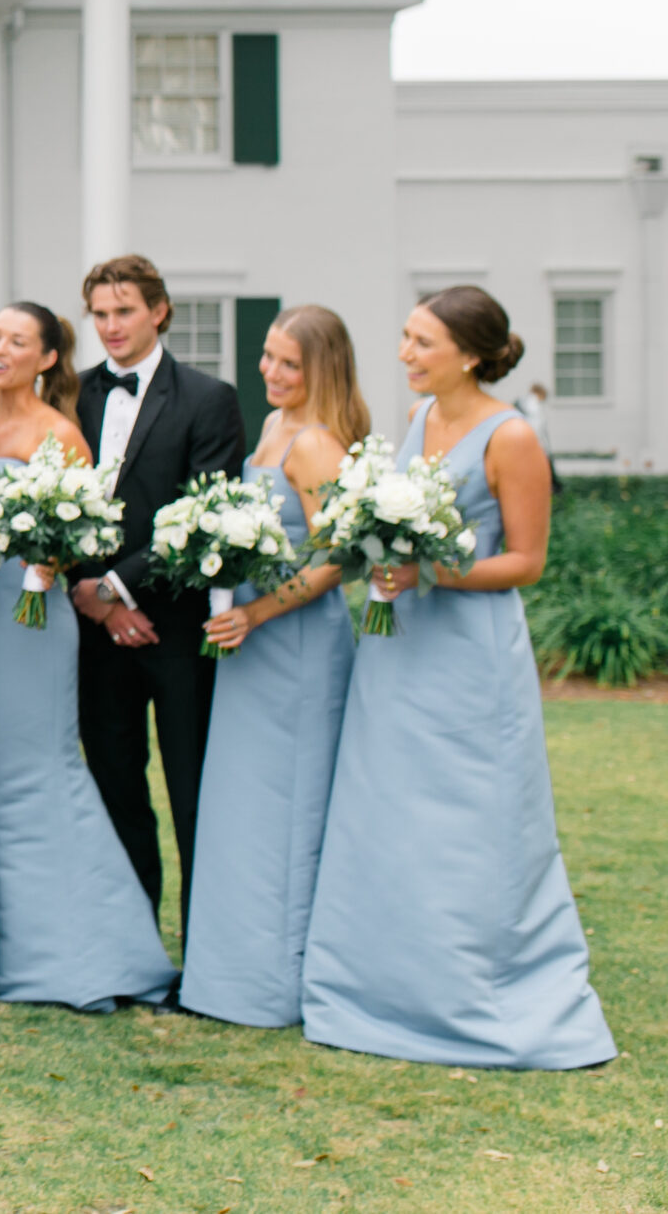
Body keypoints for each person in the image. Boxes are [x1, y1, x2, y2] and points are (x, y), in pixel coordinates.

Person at [302, 288, 615, 1069]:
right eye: (405, 337)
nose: (405, 353)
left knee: (470, 815)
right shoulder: (416, 422)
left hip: (468, 650)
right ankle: (389, 984)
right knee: (392, 806)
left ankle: (479, 987)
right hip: (398, 645)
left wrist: (434, 571)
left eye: (422, 342)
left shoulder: (509, 436)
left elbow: (527, 560)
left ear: (471, 353)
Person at [0, 304, 174, 1011]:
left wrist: (52, 557)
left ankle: (89, 945)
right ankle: (4, 934)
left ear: (48, 357)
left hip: (34, 615)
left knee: (38, 762)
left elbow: (84, 529)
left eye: (17, 340)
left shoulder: (61, 435)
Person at [182, 306, 364, 1028]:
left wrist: (256, 613)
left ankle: (279, 981)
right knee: (246, 806)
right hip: (247, 643)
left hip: (295, 643)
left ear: (322, 369)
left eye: (290, 363)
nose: (272, 372)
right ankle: (237, 969)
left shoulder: (319, 444)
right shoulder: (270, 431)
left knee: (290, 805)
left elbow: (335, 560)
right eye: (267, 356)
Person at [70, 253, 243, 942]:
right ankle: (131, 941)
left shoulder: (209, 398)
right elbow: (56, 503)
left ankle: (207, 949)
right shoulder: (73, 394)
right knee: (114, 787)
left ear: (158, 311)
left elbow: (201, 513)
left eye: (124, 312)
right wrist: (97, 596)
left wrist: (121, 585)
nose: (111, 326)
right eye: (101, 314)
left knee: (193, 791)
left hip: (176, 628)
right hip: (92, 630)